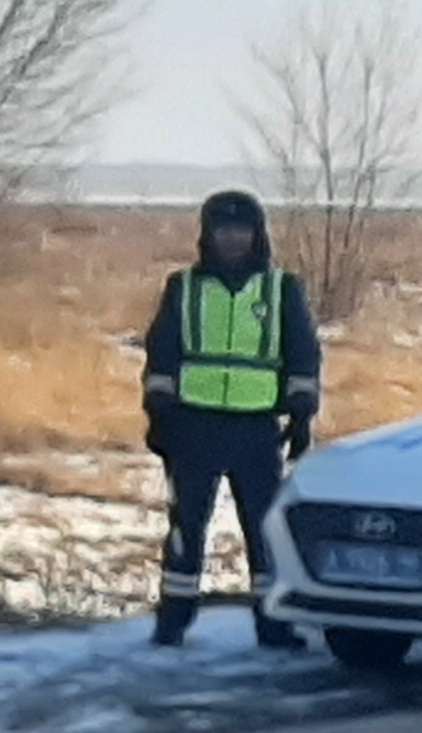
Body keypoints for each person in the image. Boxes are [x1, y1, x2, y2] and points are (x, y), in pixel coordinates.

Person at [139, 189, 324, 649]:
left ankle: (273, 622)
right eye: (224, 230)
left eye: (242, 231)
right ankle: (173, 620)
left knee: (265, 530)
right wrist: (159, 415)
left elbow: (303, 356)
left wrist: (301, 417)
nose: (233, 240)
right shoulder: (184, 287)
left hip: (257, 431)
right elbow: (162, 354)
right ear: (208, 235)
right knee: (186, 527)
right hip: (194, 428)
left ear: (258, 235)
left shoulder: (282, 289)